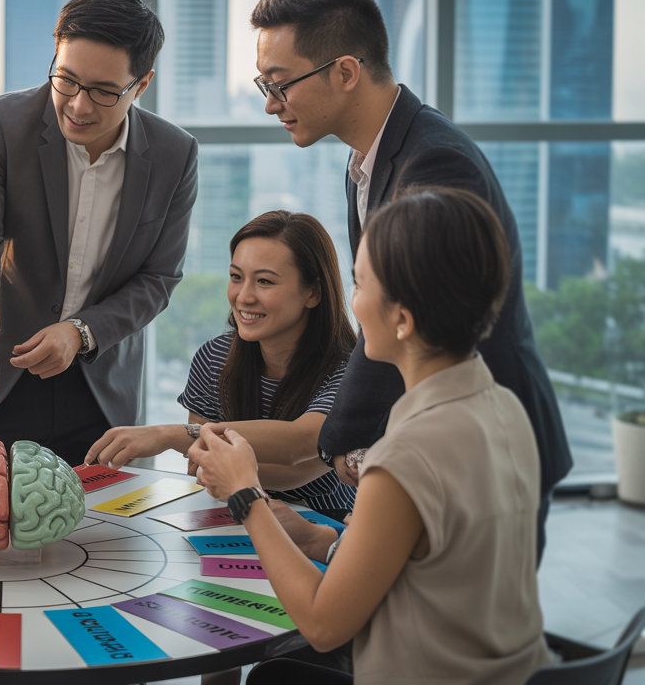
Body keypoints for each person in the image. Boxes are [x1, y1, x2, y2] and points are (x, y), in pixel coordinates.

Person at [250, 0, 571, 559]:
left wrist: (339, 439)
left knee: (462, 637)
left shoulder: (436, 165)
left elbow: (404, 317)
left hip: (482, 445)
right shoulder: (370, 160)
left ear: (345, 72)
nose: (271, 104)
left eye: (280, 84)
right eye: (262, 84)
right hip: (440, 436)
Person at [194, 188, 550, 684]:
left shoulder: (404, 456)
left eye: (360, 285)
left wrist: (246, 495)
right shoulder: (505, 407)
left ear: (402, 319)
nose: (352, 304)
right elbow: (433, 563)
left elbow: (321, 624)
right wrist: (321, 541)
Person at [0, 0, 198, 467]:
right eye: (66, 80)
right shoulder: (1, 123)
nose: (77, 106)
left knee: (103, 533)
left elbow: (159, 280)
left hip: (101, 388)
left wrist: (79, 332)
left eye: (103, 91)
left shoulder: (174, 155)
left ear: (142, 85)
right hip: (2, 369)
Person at [85, 211, 356, 521]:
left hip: (327, 532)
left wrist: (172, 435)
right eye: (236, 277)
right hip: (230, 521)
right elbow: (202, 464)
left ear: (314, 292)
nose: (243, 296)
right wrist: (207, 455)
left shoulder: (350, 373)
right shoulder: (214, 358)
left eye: (264, 281)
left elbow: (300, 450)